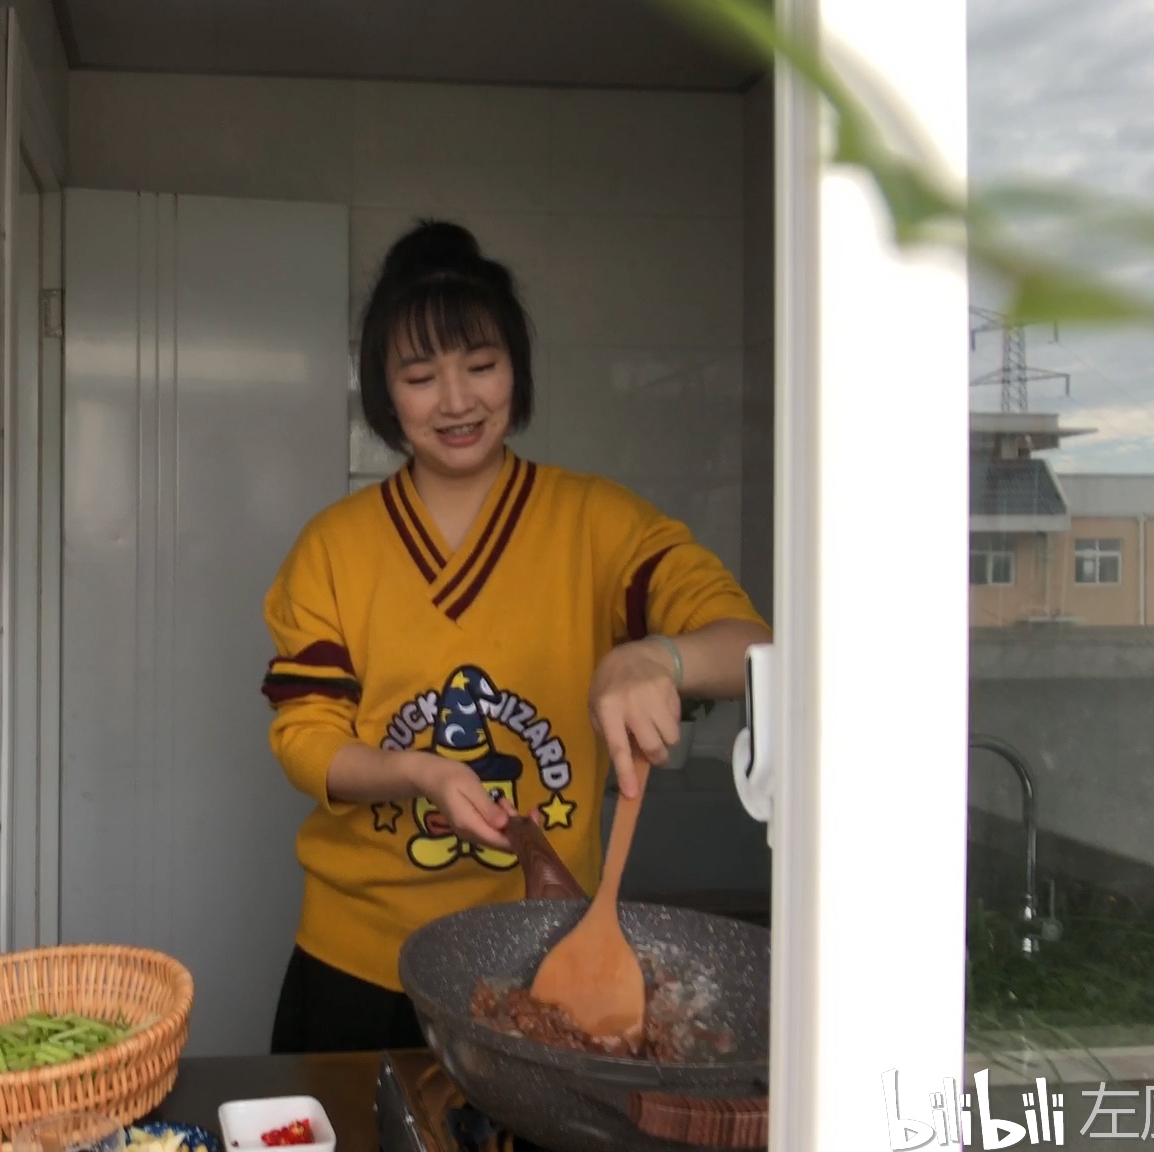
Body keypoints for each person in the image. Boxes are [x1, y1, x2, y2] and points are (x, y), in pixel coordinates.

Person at [260, 220, 772, 1054]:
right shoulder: (333, 548)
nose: (457, 402)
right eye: (421, 376)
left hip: (547, 954)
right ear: (385, 394)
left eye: (482, 367)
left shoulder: (599, 523)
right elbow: (304, 740)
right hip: (357, 964)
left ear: (518, 373)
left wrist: (659, 656)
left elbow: (753, 645)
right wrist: (417, 771)